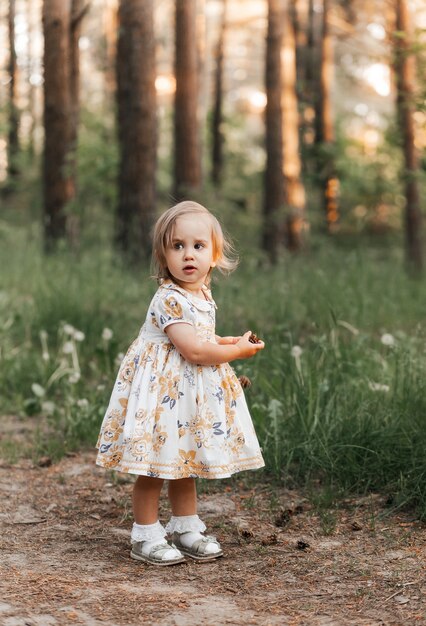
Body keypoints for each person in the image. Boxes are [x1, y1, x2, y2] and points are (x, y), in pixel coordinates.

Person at [96, 201, 265, 565]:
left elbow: (204, 337)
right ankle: (145, 535)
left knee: (184, 460)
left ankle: (185, 527)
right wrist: (236, 354)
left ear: (214, 255)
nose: (188, 255)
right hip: (161, 396)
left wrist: (231, 341)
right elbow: (194, 351)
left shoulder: (201, 294)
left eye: (198, 246)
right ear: (163, 254)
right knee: (155, 465)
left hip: (184, 396)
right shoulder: (169, 298)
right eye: (177, 246)